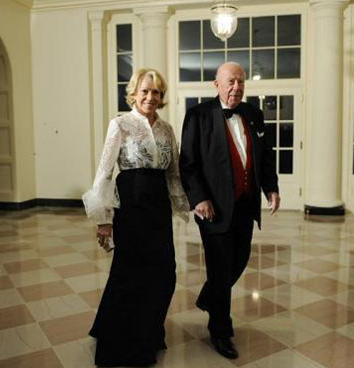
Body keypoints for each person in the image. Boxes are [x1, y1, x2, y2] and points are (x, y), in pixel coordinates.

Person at [82, 68, 188, 367]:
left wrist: (187, 205)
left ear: (161, 96)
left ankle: (150, 330)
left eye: (155, 92)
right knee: (129, 275)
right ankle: (123, 343)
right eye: (145, 91)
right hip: (129, 206)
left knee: (164, 273)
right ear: (134, 93)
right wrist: (103, 219)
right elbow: (104, 173)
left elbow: (173, 172)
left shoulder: (167, 129)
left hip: (158, 208)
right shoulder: (120, 124)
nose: (150, 97)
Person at [179, 62, 280, 359]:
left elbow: (264, 157)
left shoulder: (254, 114)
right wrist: (199, 198)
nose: (236, 87)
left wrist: (271, 188)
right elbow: (189, 163)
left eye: (241, 82)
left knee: (240, 259)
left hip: (245, 205)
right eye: (230, 82)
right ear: (217, 84)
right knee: (221, 269)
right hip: (213, 208)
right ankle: (220, 331)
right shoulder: (198, 116)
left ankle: (210, 297)